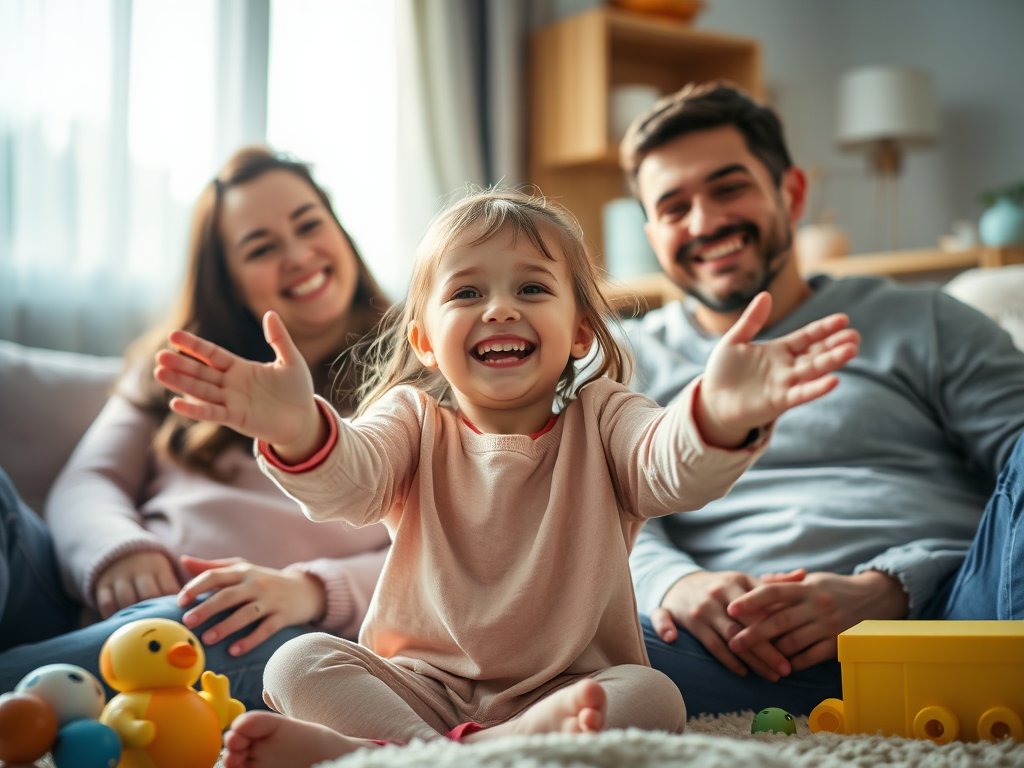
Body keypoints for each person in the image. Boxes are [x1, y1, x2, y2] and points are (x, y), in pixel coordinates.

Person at [154, 188, 859, 767]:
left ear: (581, 330)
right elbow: (349, 484)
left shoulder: (606, 415)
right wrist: (295, 428)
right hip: (419, 686)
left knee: (652, 696)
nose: (500, 307)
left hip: (568, 691)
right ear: (425, 340)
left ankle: (387, 758)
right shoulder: (410, 421)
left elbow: (669, 469)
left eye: (531, 287)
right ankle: (472, 754)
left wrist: (718, 413)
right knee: (297, 661)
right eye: (467, 293)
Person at [616, 82, 1024, 717]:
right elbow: (581, 515)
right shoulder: (622, 361)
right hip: (715, 655)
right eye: (673, 207)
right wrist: (673, 581)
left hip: (949, 623)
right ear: (653, 232)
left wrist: (891, 587)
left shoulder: (928, 320)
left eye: (729, 188)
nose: (705, 222)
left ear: (793, 193)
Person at [0, 147, 392, 711]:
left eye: (310, 226)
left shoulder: (420, 370)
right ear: (228, 281)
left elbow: (446, 556)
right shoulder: (179, 364)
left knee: (205, 619)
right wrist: (119, 552)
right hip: (89, 603)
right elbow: (91, 479)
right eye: (261, 247)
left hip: (238, 633)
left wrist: (310, 588)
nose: (299, 254)